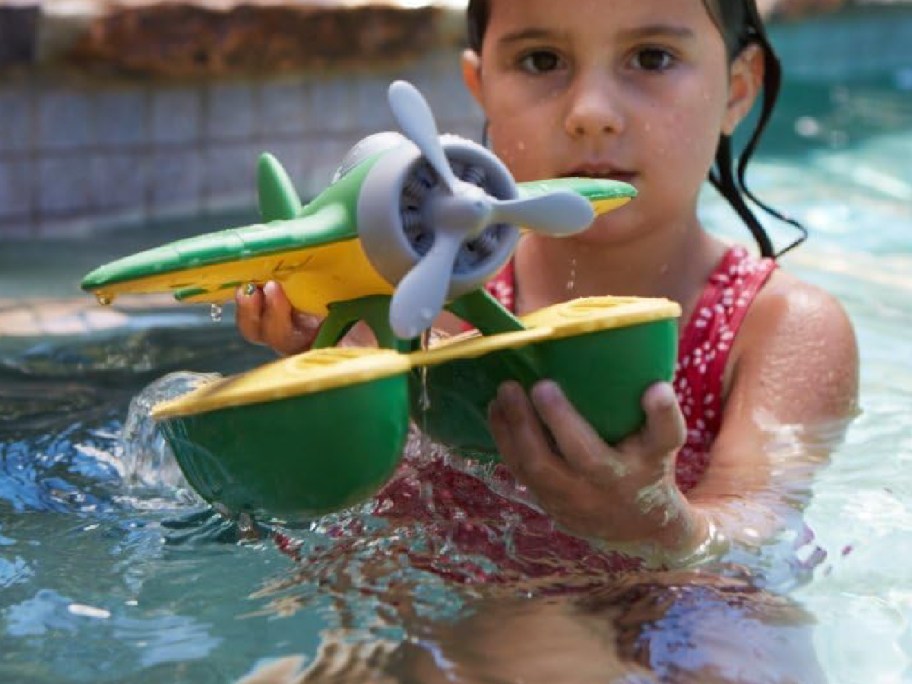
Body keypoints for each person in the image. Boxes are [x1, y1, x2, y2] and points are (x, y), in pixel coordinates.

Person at [235, 0, 858, 568]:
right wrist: (331, 376)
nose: (590, 114)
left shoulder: (778, 328)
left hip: (670, 619)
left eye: (652, 58)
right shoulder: (433, 296)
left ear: (737, 90)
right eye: (541, 60)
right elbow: (380, 503)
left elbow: (757, 532)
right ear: (481, 87)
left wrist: (658, 526)